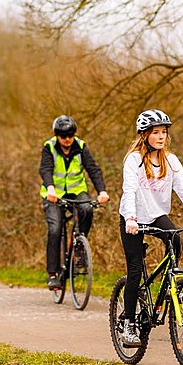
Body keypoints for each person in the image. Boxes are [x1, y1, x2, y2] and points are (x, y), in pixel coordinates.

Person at [118, 109, 183, 347]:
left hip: (157, 216)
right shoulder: (134, 160)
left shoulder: (170, 160)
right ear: (144, 135)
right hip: (133, 218)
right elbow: (129, 190)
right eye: (155, 132)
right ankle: (129, 323)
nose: (161, 137)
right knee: (136, 269)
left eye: (164, 132)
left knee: (175, 241)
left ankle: (170, 286)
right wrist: (130, 217)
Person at [38, 115, 109, 291]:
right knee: (55, 229)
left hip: (77, 191)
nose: (68, 139)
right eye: (63, 136)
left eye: (70, 135)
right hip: (54, 195)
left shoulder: (81, 146)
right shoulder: (49, 147)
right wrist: (50, 189)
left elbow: (93, 169)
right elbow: (45, 169)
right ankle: (53, 274)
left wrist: (102, 191)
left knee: (87, 208)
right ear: (57, 136)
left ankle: (79, 246)